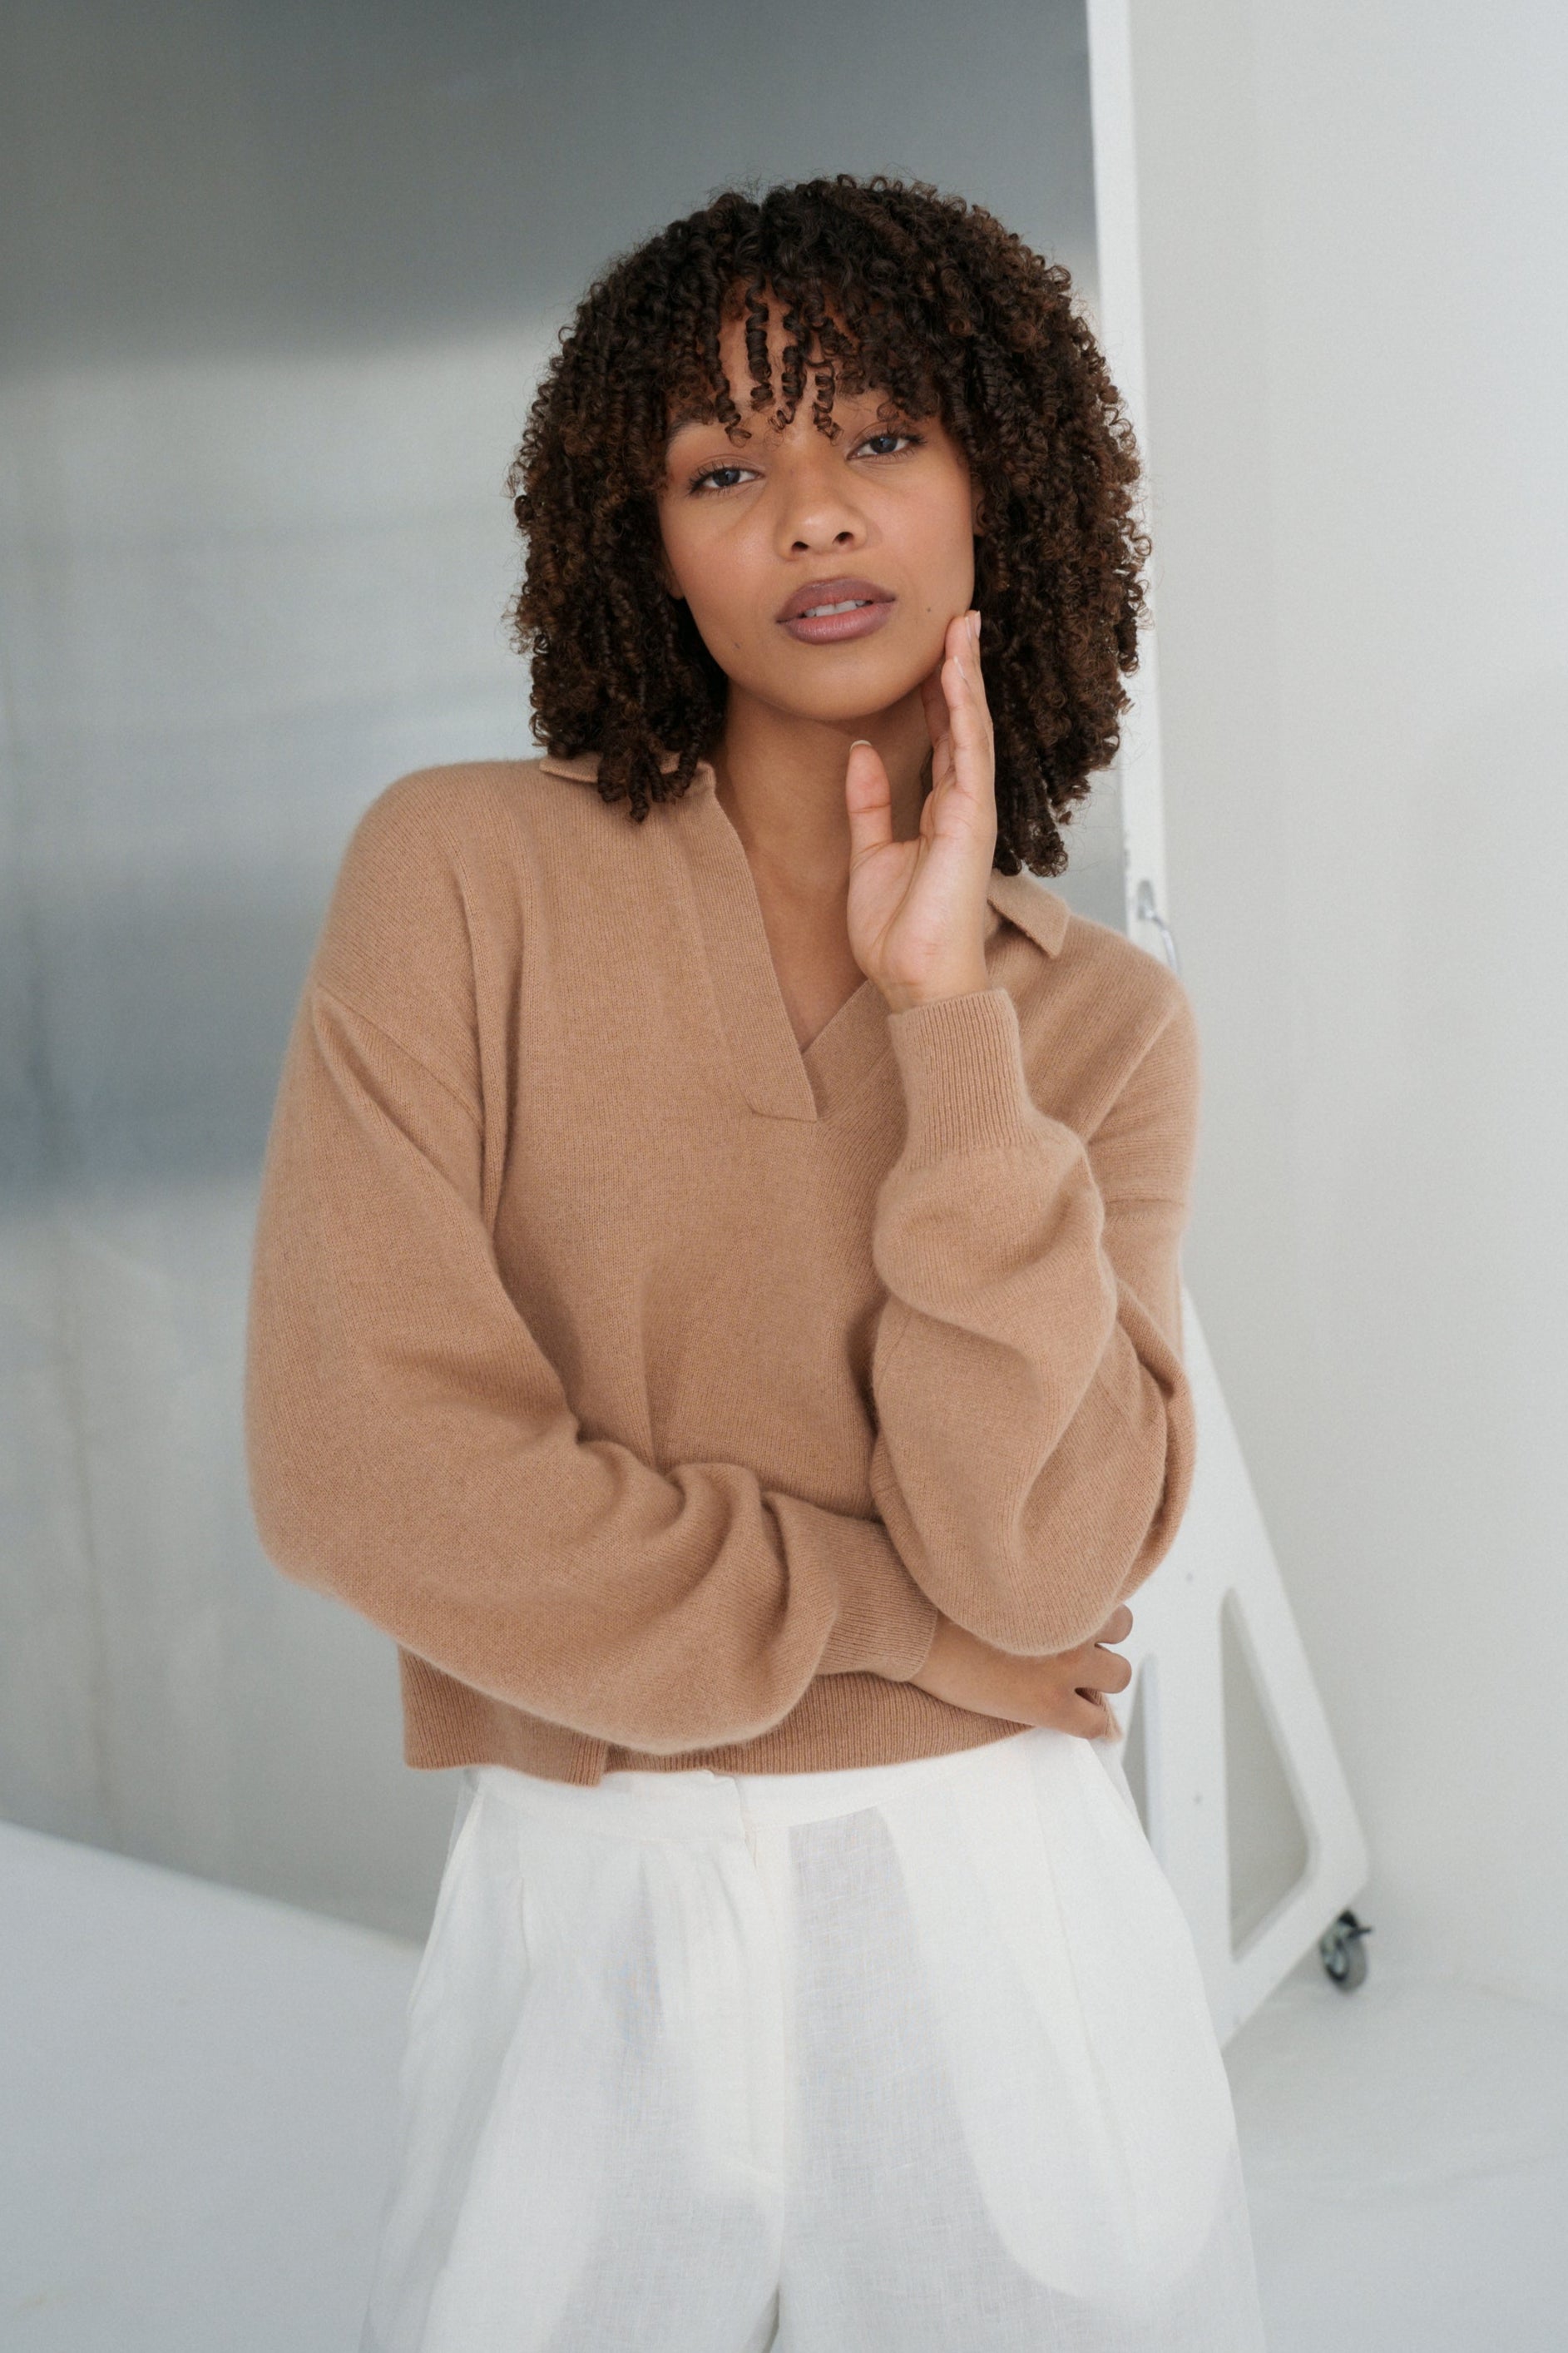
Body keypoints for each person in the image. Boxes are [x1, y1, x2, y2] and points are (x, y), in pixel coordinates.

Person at [244, 174, 1268, 2352]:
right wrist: (886, 1613)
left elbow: (1047, 1555)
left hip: (1001, 1944)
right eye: (729, 466)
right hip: (597, 1928)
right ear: (649, 539)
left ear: (1010, 486)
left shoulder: (1098, 1025)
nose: (813, 513)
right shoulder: (460, 879)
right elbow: (358, 1461)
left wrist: (949, 1037)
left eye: (882, 437)